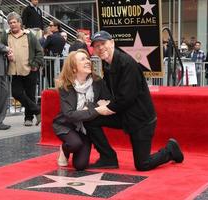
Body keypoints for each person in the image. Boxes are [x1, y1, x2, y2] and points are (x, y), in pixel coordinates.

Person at [84, 30, 184, 171]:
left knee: (143, 164)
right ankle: (108, 157)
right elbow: (114, 93)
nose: (100, 48)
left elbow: (126, 98)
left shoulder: (126, 63)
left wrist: (102, 109)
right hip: (124, 114)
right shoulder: (107, 64)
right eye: (96, 46)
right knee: (90, 120)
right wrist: (101, 104)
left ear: (112, 43)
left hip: (141, 121)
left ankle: (170, 150)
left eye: (103, 43)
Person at [52, 49, 111, 171]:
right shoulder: (65, 86)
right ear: (73, 68)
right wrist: (96, 110)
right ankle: (65, 149)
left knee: (80, 166)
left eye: (88, 58)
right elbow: (69, 115)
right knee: (74, 144)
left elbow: (106, 101)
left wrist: (88, 108)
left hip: (86, 127)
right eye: (82, 59)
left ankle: (73, 146)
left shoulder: (97, 82)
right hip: (66, 125)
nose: (88, 61)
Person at [1, 12, 43, 126]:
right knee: (16, 93)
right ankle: (37, 110)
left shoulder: (29, 35)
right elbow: (1, 49)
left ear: (20, 23)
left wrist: (35, 64)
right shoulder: (5, 35)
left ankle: (28, 118)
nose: (12, 24)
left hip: (30, 69)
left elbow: (40, 51)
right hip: (14, 70)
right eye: (10, 23)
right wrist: (6, 55)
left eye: (14, 22)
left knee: (30, 95)